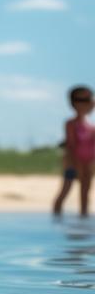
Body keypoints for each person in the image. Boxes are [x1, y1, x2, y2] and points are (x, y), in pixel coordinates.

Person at [53, 84, 94, 217]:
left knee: (85, 194)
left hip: (88, 164)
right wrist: (75, 165)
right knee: (65, 191)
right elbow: (71, 145)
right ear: (72, 103)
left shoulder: (91, 127)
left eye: (87, 100)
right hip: (73, 164)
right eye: (79, 101)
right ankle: (56, 217)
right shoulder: (71, 123)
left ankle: (83, 220)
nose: (83, 104)